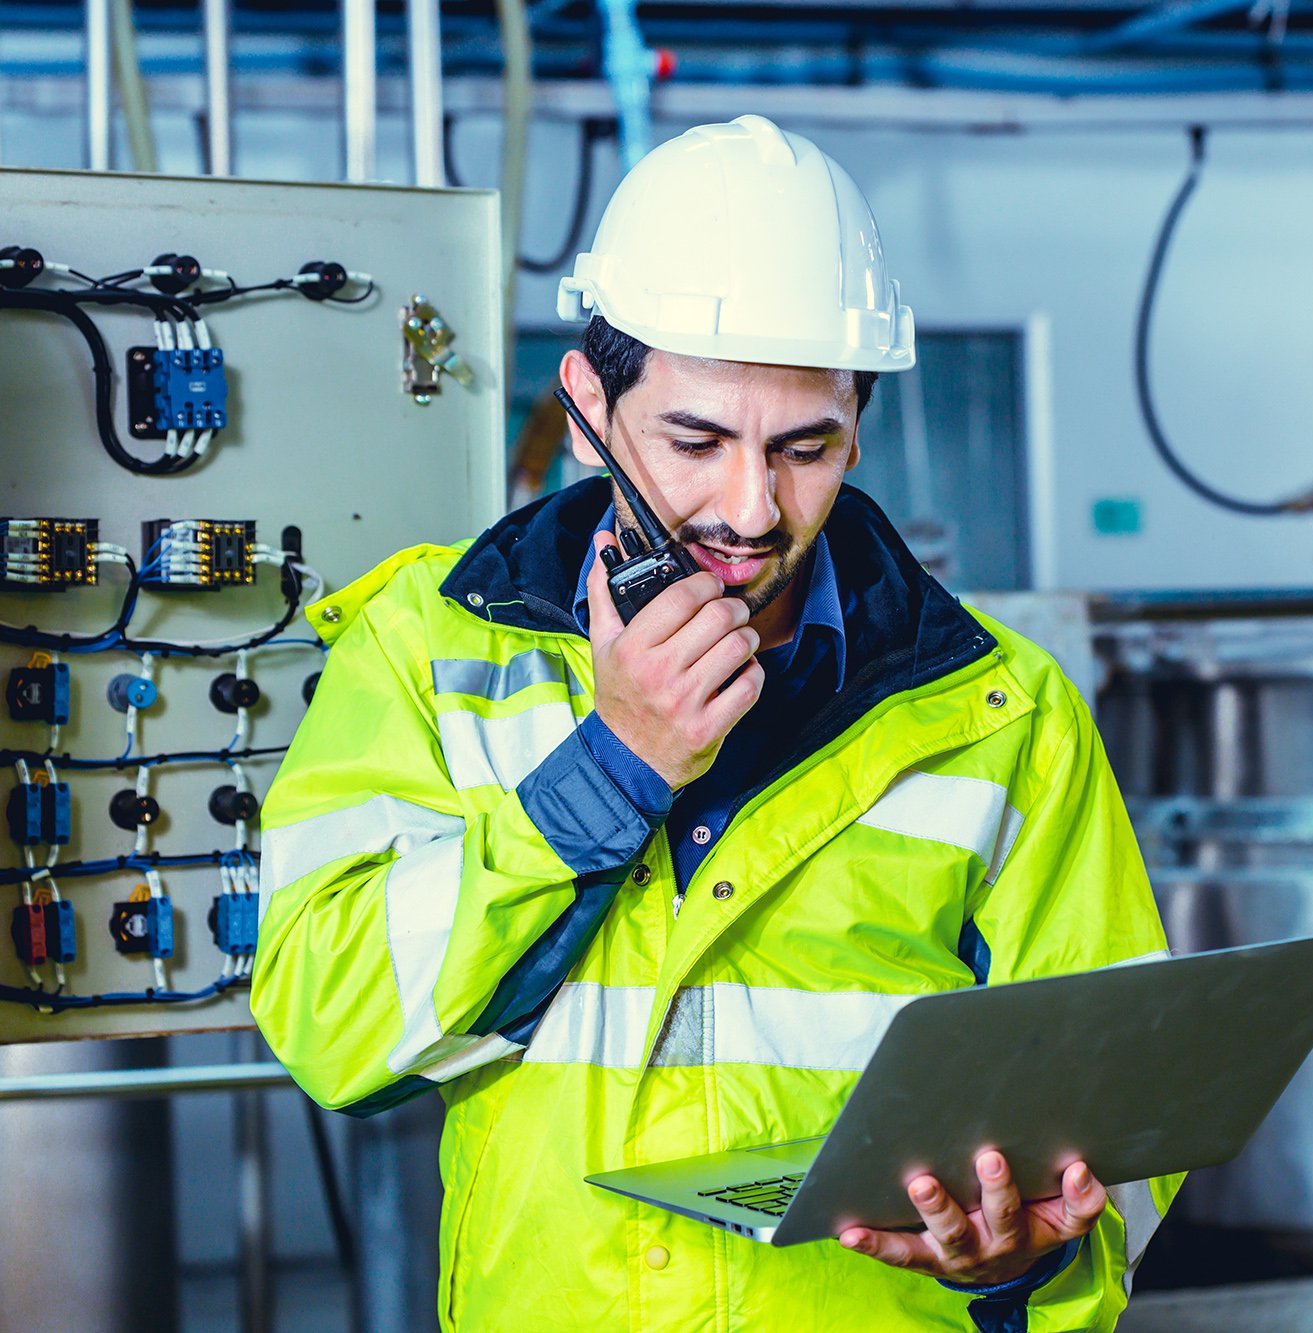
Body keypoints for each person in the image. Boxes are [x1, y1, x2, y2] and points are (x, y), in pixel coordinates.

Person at [251, 114, 1177, 1331]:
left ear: (859, 419)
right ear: (588, 405)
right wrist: (612, 767)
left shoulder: (1000, 710)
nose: (751, 508)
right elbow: (333, 1019)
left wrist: (1022, 1262)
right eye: (694, 440)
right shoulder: (430, 648)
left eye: (806, 447)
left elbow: (1124, 1111)